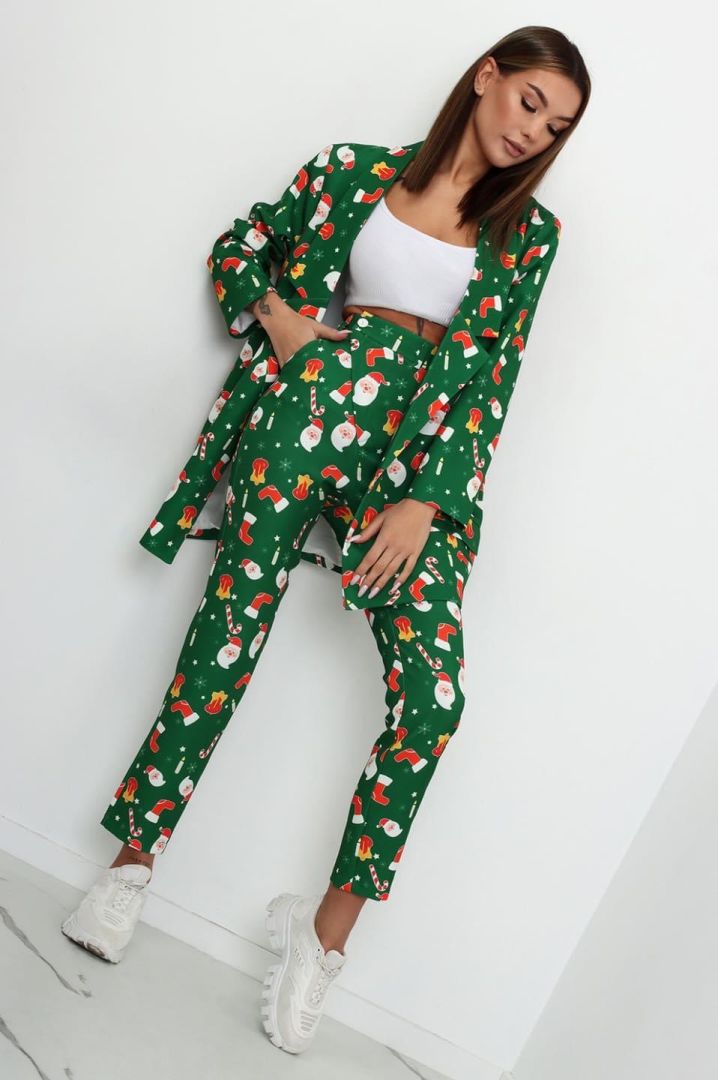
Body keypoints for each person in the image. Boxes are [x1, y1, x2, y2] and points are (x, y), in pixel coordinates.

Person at [60, 26, 588, 1057]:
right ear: (486, 76)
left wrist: (427, 500)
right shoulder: (351, 170)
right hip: (308, 408)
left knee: (433, 700)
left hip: (414, 466)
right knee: (225, 641)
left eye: (556, 125)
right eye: (529, 101)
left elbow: (493, 381)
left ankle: (323, 934)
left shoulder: (530, 237)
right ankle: (130, 869)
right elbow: (239, 243)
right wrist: (278, 317)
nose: (534, 132)